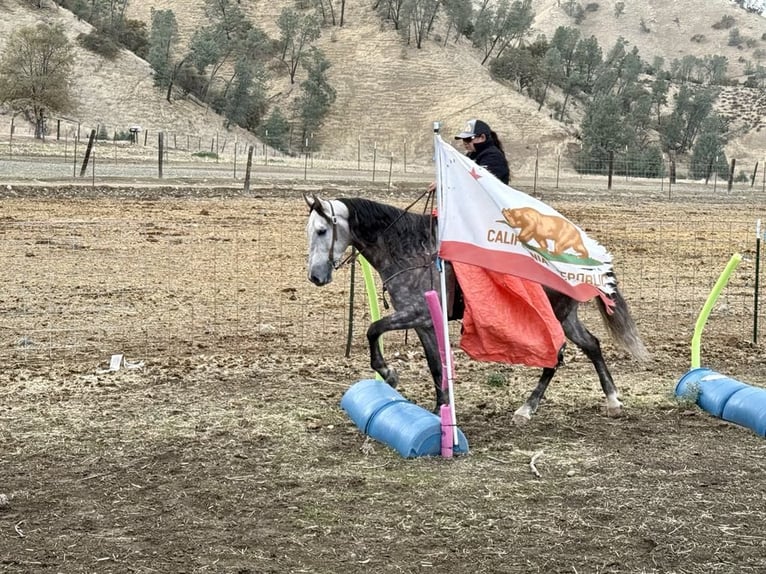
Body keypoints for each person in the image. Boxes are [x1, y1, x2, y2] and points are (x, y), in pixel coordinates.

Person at [454, 118, 510, 184]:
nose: (465, 143)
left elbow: (485, 182)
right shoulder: (472, 154)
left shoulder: (493, 156)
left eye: (468, 139)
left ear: (482, 137)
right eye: (464, 139)